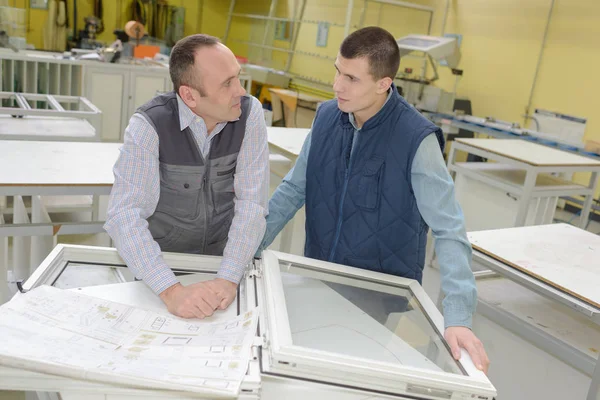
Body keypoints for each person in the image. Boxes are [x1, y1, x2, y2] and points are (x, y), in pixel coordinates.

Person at [258, 27, 490, 373]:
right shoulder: (325, 118)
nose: (337, 85)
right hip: (318, 271)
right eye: (338, 70)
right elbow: (292, 190)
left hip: (377, 291)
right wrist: (246, 250)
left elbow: (449, 228)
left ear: (383, 83)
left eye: (351, 78)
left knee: (349, 376)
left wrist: (458, 317)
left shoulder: (415, 139)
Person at [104, 34, 269, 320]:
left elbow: (252, 204)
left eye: (237, 78)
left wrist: (228, 277)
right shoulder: (149, 126)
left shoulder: (248, 114)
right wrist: (171, 291)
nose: (241, 91)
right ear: (189, 95)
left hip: (222, 265)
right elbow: (124, 215)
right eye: (227, 84)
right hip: (161, 270)